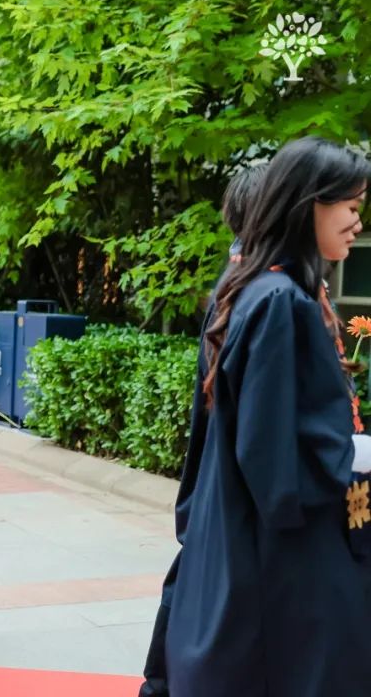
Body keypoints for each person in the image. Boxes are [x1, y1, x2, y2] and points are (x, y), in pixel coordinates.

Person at [158, 136, 371, 696]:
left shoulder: (265, 288)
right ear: (309, 204)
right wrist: (353, 456)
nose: (358, 222)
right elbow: (272, 451)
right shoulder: (280, 300)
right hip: (283, 549)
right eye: (350, 206)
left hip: (252, 530)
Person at [139, 162, 267, 696]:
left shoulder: (242, 279)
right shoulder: (261, 291)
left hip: (216, 466)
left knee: (196, 571)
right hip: (230, 470)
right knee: (200, 574)